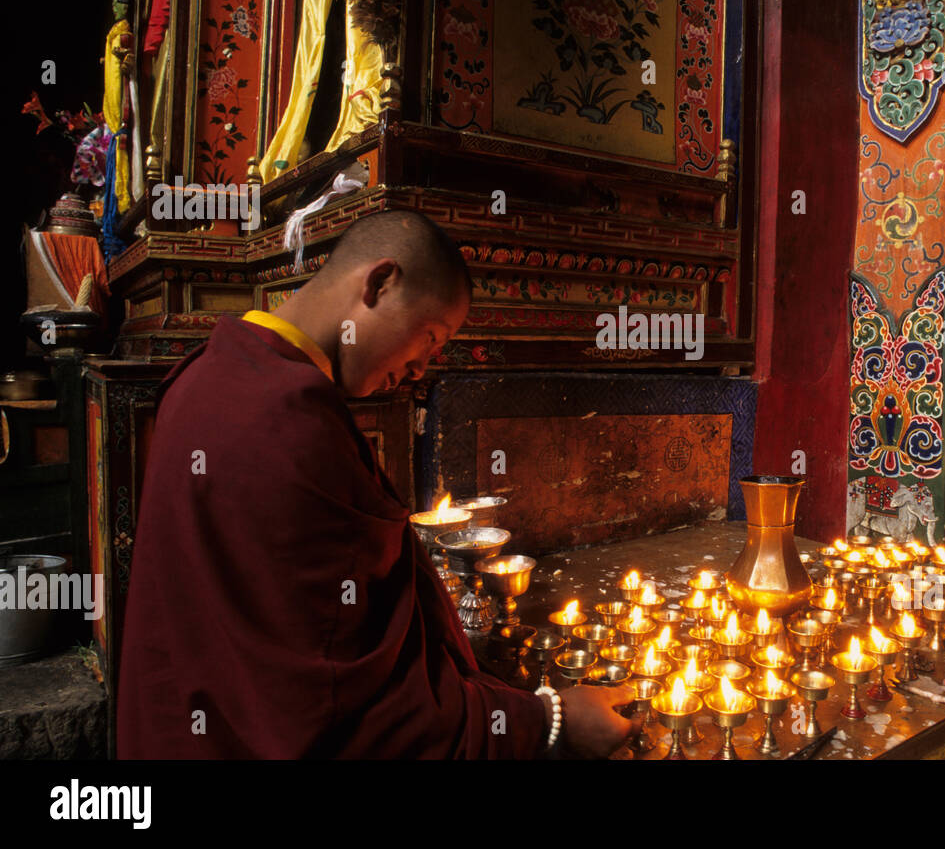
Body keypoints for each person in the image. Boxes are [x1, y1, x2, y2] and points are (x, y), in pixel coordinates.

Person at [117, 209, 635, 758]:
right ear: (379, 283)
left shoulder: (207, 375)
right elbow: (345, 703)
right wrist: (548, 719)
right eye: (430, 338)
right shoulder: (287, 424)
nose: (420, 369)